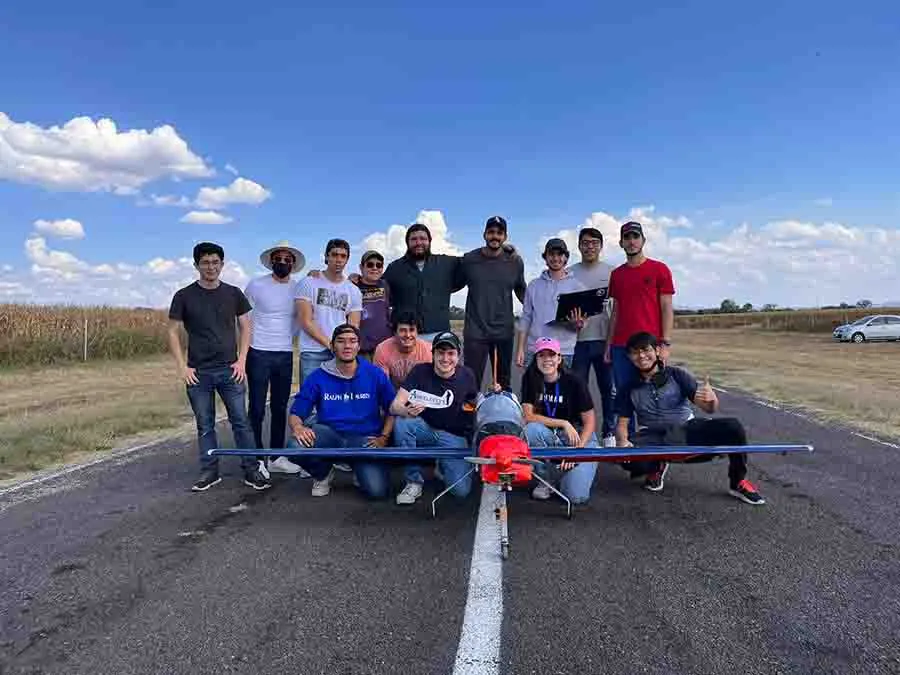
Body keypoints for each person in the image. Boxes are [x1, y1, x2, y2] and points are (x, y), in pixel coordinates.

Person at [613, 331, 765, 505]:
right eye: (634, 352)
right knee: (627, 460)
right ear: (629, 357)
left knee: (733, 427)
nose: (641, 356)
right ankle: (656, 465)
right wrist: (623, 442)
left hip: (686, 430)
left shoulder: (677, 375)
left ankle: (738, 481)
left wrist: (712, 400)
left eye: (645, 350)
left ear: (656, 351)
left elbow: (708, 409)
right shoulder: (628, 387)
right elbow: (622, 423)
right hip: (654, 437)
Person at [167, 241, 271, 492]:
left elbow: (246, 326)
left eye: (215, 262)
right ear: (196, 265)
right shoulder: (184, 296)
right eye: (205, 263)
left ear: (222, 264)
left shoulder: (234, 293)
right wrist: (183, 367)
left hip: (230, 370)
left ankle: (251, 470)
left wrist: (242, 360)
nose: (211, 267)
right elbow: (172, 332)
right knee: (205, 424)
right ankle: (209, 470)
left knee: (240, 422)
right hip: (198, 372)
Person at [286, 324, 396, 499]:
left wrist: (383, 437)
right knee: (293, 447)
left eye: (352, 341)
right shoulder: (318, 376)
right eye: (341, 341)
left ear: (358, 347)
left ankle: (358, 468)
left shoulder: (375, 374)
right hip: (330, 435)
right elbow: (297, 412)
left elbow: (392, 409)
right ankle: (323, 473)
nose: (347, 346)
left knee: (377, 492)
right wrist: (298, 427)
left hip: (363, 439)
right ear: (332, 346)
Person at [244, 241, 309, 477]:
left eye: (287, 259)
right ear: (271, 261)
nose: (283, 262)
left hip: (283, 352)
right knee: (258, 408)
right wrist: (248, 346)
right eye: (279, 258)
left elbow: (298, 319)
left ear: (293, 264)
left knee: (281, 406)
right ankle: (256, 457)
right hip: (258, 351)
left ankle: (277, 456)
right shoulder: (256, 285)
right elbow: (244, 319)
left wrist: (285, 338)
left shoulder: (298, 288)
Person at [389, 331, 477, 505]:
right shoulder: (420, 371)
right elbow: (394, 406)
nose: (445, 358)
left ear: (458, 356)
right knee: (403, 424)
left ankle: (442, 465)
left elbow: (473, 407)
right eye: (440, 353)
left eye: (450, 353)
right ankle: (413, 481)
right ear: (433, 354)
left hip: (453, 436)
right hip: (426, 429)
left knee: (461, 491)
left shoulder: (467, 375)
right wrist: (407, 411)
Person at [604, 221, 675, 436]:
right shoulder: (617, 275)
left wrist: (664, 344)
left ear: (643, 240)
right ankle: (629, 446)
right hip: (621, 346)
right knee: (625, 397)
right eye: (627, 238)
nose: (631, 241)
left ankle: (657, 448)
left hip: (649, 347)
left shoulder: (659, 269)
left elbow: (666, 307)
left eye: (635, 237)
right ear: (621, 243)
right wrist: (608, 345)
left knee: (654, 396)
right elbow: (615, 311)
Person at [520, 337, 599, 504]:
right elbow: (528, 416)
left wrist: (576, 452)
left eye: (551, 355)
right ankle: (547, 478)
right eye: (541, 355)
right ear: (536, 358)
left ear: (559, 358)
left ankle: (579, 466)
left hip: (578, 437)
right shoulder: (530, 377)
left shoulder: (574, 381)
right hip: (552, 433)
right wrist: (563, 423)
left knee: (575, 496)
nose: (547, 359)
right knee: (530, 430)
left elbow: (590, 421)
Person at [459, 215, 527, 391]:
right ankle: (468, 416)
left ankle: (502, 417)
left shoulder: (515, 261)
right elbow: (452, 283)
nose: (495, 236)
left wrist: (541, 312)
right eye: (491, 232)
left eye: (499, 233)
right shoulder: (469, 260)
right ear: (484, 234)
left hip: (503, 331)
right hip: (475, 331)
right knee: (470, 381)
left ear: (505, 236)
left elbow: (522, 291)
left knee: (503, 382)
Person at [569, 226, 616, 447]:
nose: (590, 247)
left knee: (608, 389)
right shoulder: (569, 273)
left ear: (601, 246)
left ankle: (609, 431)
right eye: (586, 243)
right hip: (577, 342)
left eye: (594, 243)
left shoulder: (611, 273)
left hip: (604, 340)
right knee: (579, 389)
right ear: (579, 245)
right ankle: (581, 430)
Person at [381, 223, 466, 343]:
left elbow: (472, 263)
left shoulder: (446, 263)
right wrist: (357, 279)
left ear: (430, 241)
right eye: (414, 239)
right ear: (407, 242)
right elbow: (378, 289)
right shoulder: (394, 268)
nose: (418, 242)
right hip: (406, 336)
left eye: (423, 239)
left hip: (439, 334)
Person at [295, 238, 363, 383]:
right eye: (334, 255)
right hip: (312, 352)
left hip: (340, 353)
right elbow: (305, 320)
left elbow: (353, 326)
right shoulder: (308, 283)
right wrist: (330, 344)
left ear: (347, 259)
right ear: (326, 257)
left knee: (337, 399)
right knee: (310, 400)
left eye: (343, 256)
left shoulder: (353, 291)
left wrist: (343, 348)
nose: (338, 260)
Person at [515, 238, 585, 369]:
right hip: (535, 349)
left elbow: (581, 322)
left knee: (562, 389)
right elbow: (526, 318)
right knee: (535, 389)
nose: (555, 258)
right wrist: (520, 349)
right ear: (545, 257)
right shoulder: (534, 285)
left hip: (563, 352)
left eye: (560, 254)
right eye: (551, 254)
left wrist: (578, 324)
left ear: (566, 258)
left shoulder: (577, 286)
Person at [373, 310, 433, 388]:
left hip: (419, 394)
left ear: (417, 332)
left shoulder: (428, 350)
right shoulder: (382, 349)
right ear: (395, 332)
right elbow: (382, 384)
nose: (408, 335)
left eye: (411, 330)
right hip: (392, 393)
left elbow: (428, 384)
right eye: (402, 330)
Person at [354, 250, 392, 361]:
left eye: (378, 265)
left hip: (384, 347)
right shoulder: (352, 286)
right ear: (361, 267)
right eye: (370, 264)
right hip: (361, 349)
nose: (374, 268)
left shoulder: (386, 285)